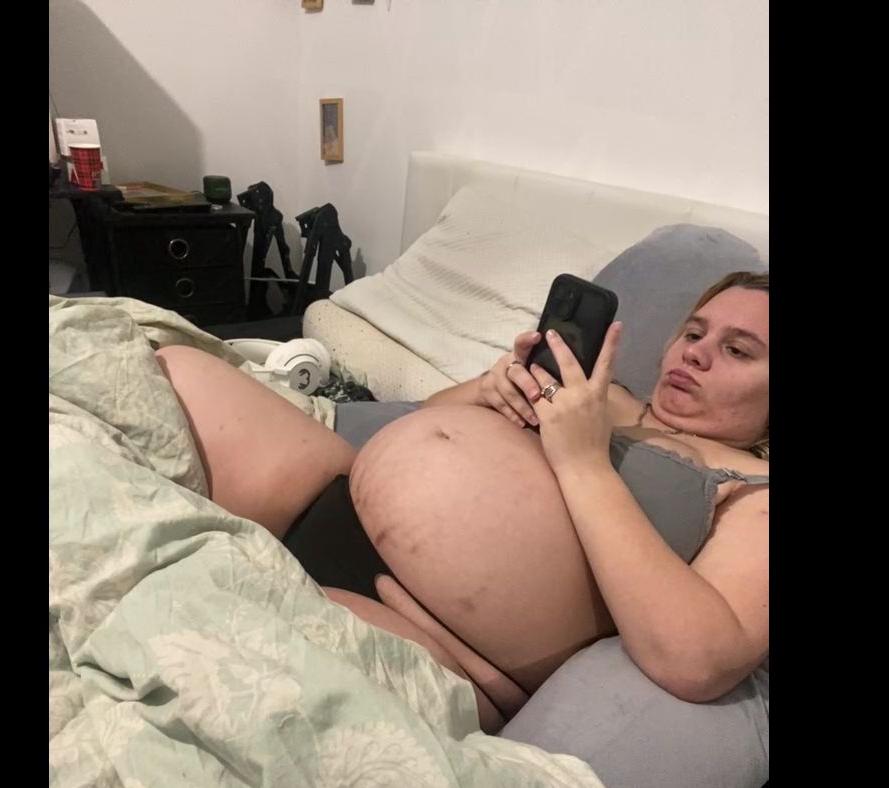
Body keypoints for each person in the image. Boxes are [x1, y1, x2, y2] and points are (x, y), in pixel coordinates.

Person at [156, 271, 769, 732]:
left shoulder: (752, 489)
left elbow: (699, 658)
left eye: (738, 350)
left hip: (432, 631)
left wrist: (583, 460)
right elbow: (430, 415)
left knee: (199, 637)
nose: (695, 352)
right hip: (331, 498)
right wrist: (487, 389)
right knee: (168, 366)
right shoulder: (601, 392)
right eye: (694, 332)